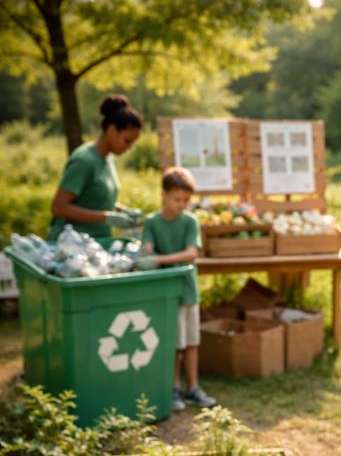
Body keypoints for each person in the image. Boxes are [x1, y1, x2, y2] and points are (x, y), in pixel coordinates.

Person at [135, 166, 216, 411]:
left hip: (188, 291)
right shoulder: (152, 222)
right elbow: (147, 248)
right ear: (164, 195)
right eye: (177, 199)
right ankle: (173, 388)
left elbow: (192, 253)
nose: (181, 204)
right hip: (165, 294)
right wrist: (144, 251)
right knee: (173, 344)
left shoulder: (190, 221)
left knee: (191, 342)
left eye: (186, 200)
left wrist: (159, 259)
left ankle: (193, 387)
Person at [48, 94, 144, 241]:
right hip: (73, 245)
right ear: (112, 130)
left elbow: (95, 199)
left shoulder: (108, 158)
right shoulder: (84, 160)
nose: (129, 147)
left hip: (97, 242)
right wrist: (106, 217)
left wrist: (122, 211)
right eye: (127, 141)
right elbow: (58, 207)